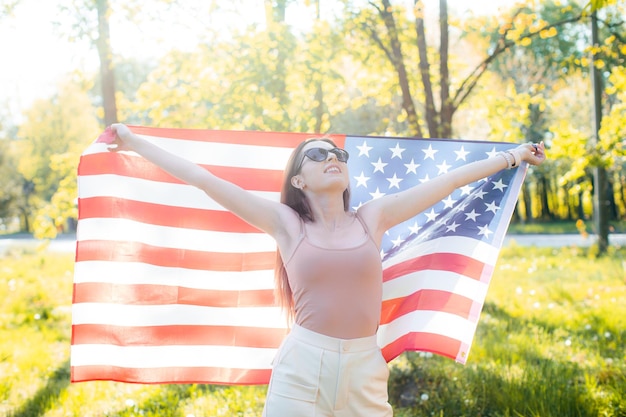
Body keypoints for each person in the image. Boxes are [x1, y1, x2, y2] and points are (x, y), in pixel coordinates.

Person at [108, 123, 546, 416]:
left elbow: (447, 183)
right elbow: (205, 180)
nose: (333, 157)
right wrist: (132, 141)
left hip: (365, 370)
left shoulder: (371, 217)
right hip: (302, 369)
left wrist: (513, 157)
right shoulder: (286, 224)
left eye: (337, 153)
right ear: (298, 180)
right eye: (317, 155)